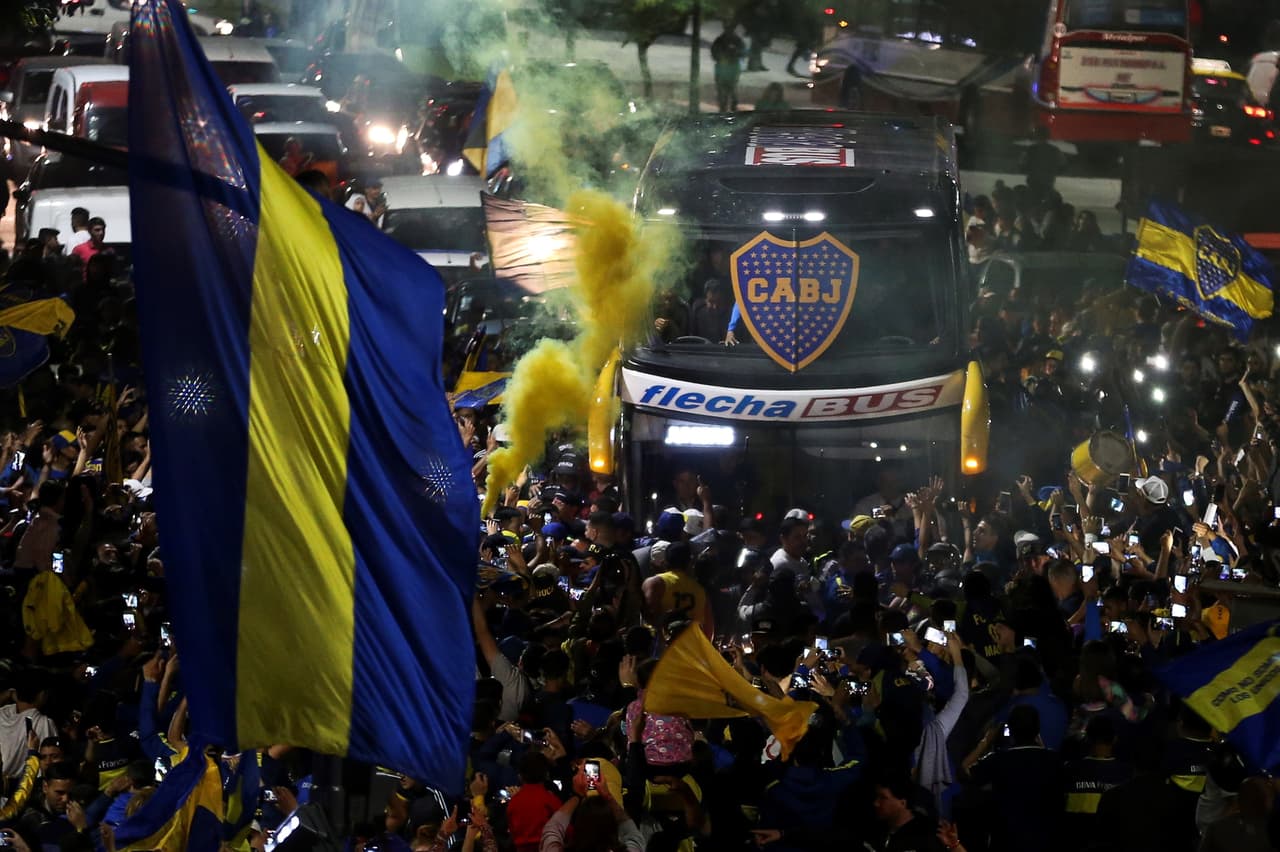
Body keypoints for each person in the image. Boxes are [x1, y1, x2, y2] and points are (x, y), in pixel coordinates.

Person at [711, 23, 746, 113]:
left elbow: (742, 53)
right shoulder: (720, 40)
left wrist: (734, 52)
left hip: (731, 67)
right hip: (723, 66)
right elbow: (714, 54)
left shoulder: (736, 40)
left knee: (730, 88)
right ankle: (724, 107)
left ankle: (731, 105)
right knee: (723, 89)